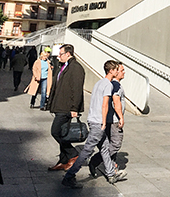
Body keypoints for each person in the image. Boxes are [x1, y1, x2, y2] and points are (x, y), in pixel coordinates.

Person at [63, 60, 128, 188]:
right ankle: (69, 176)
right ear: (111, 71)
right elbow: (104, 105)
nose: (117, 71)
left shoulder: (99, 83)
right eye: (116, 69)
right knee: (87, 150)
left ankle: (111, 174)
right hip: (98, 122)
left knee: (104, 148)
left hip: (92, 119)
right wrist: (104, 122)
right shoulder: (108, 85)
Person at [46, 45, 86, 171]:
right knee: (62, 133)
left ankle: (73, 154)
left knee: (55, 132)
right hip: (59, 105)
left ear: (68, 54)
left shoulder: (76, 68)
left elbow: (77, 89)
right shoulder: (63, 67)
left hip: (67, 107)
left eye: (61, 54)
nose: (59, 57)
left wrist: (74, 108)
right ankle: (63, 161)